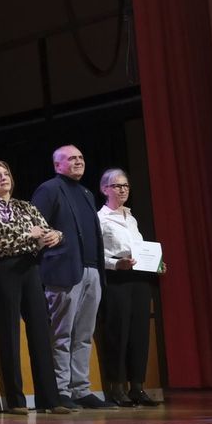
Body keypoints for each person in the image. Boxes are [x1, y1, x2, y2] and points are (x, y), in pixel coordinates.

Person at [0, 160, 73, 415]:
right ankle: (16, 400)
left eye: (6, 173)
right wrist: (28, 236)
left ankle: (49, 399)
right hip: (3, 270)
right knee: (9, 333)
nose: (4, 178)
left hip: (30, 269)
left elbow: (48, 230)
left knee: (41, 330)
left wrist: (54, 236)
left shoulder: (26, 206)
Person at [32, 145, 109, 409]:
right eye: (71, 159)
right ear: (57, 166)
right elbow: (36, 226)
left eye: (81, 157)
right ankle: (61, 391)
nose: (78, 161)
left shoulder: (87, 192)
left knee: (84, 335)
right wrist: (48, 238)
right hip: (64, 271)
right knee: (62, 334)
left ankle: (81, 389)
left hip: (91, 271)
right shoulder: (50, 189)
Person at [97, 169, 161, 407]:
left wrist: (156, 262)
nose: (122, 189)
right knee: (119, 332)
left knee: (139, 333)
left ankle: (137, 386)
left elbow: (140, 248)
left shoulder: (131, 218)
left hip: (138, 279)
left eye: (125, 185)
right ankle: (116, 387)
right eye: (116, 186)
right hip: (117, 280)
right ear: (105, 189)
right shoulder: (100, 219)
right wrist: (116, 264)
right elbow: (97, 254)